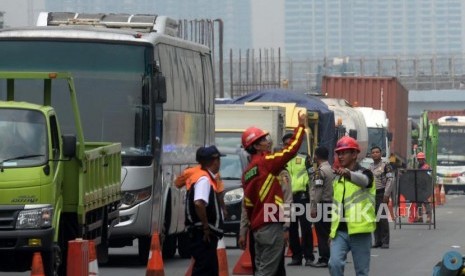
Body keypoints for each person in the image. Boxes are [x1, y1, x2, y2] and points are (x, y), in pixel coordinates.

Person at [240, 111, 306, 276]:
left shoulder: (247, 172)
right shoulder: (266, 162)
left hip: (257, 228)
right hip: (270, 224)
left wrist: (247, 228)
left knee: (261, 268)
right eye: (262, 140)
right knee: (268, 272)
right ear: (255, 146)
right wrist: (301, 127)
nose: (267, 142)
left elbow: (247, 205)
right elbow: (290, 150)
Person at [329, 136, 376, 276]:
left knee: (361, 271)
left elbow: (364, 181)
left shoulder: (366, 173)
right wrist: (332, 233)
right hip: (340, 232)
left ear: (354, 154)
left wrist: (348, 174)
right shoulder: (337, 178)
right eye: (339, 153)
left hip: (360, 230)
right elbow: (336, 207)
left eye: (344, 152)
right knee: (334, 264)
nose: (340, 156)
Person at [184, 145, 225, 276]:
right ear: (215, 161)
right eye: (218, 159)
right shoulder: (204, 179)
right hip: (202, 234)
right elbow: (199, 204)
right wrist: (206, 227)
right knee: (204, 269)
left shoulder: (206, 177)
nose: (219, 162)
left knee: (210, 268)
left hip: (202, 233)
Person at [281, 133, 314, 266]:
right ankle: (296, 256)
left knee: (306, 228)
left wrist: (312, 199)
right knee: (292, 228)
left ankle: (309, 256)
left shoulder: (305, 158)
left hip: (303, 197)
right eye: (286, 144)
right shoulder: (281, 160)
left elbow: (312, 178)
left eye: (291, 143)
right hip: (288, 198)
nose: (289, 146)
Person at [309, 146, 334, 267]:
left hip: (322, 205)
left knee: (322, 233)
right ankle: (330, 256)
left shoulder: (320, 172)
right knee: (328, 232)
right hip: (331, 204)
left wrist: (313, 208)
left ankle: (324, 258)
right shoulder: (331, 169)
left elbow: (317, 191)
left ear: (316, 156)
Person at [369, 146, 394, 249]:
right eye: (373, 152)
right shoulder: (370, 167)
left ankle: (385, 241)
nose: (375, 154)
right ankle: (377, 240)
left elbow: (390, 180)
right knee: (374, 218)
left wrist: (386, 194)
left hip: (381, 193)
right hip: (372, 194)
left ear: (381, 153)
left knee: (382, 217)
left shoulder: (386, 165)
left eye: (377, 152)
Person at [416, 151, 432, 223]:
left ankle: (429, 217)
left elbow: (429, 175)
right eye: (419, 159)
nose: (420, 160)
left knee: (426, 202)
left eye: (421, 159)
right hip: (419, 187)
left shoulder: (426, 166)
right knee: (418, 202)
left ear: (424, 159)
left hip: (425, 187)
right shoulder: (418, 166)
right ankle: (420, 216)